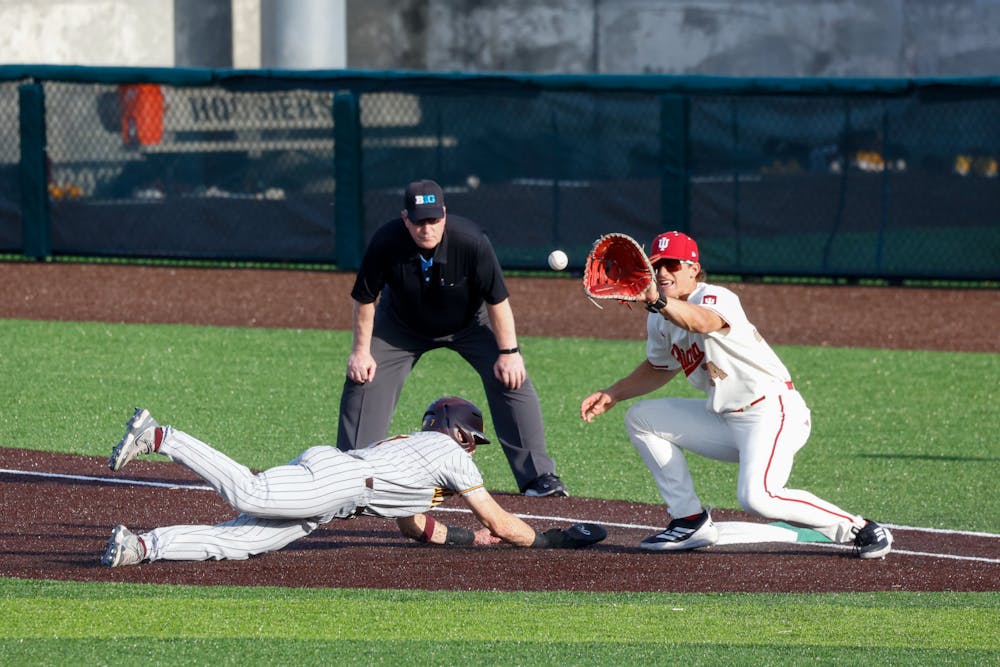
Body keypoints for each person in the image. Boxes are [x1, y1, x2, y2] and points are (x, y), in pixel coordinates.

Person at [579, 231, 893, 559]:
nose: (662, 273)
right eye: (656, 265)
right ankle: (689, 520)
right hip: (726, 418)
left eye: (672, 264)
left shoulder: (715, 297)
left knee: (758, 497)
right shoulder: (659, 320)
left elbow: (701, 323)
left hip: (772, 412)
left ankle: (860, 528)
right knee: (642, 419)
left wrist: (656, 300)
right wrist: (614, 393)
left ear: (693, 268)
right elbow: (660, 367)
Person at [101, 398, 604, 567]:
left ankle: (141, 546)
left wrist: (468, 539)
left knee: (237, 544)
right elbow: (498, 517)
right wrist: (549, 540)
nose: (472, 447)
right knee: (249, 492)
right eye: (471, 437)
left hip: (333, 497)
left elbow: (414, 527)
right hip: (338, 480)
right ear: (454, 430)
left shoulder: (415, 461)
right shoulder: (447, 452)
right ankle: (161, 435)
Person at [337, 178, 566, 497]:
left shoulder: (470, 241)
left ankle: (539, 477)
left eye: (433, 219)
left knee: (512, 378)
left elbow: (497, 300)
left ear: (444, 214)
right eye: (418, 221)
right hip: (400, 326)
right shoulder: (386, 242)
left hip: (470, 323)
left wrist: (509, 352)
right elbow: (364, 299)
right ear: (406, 219)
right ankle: (350, 476)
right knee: (364, 378)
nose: (426, 228)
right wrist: (361, 352)